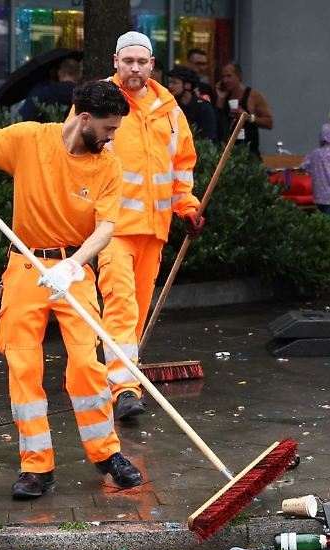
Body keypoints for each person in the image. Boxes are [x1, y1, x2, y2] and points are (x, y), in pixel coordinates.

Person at [0, 80, 144, 499]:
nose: (111, 137)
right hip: (25, 264)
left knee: (86, 363)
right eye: (108, 128)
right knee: (23, 365)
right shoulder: (31, 139)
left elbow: (105, 229)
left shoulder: (108, 166)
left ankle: (107, 454)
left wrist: (72, 265)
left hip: (73, 269)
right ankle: (36, 467)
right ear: (84, 118)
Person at [98, 31, 202, 420]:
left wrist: (187, 209)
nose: (135, 68)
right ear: (115, 61)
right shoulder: (98, 100)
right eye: (128, 61)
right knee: (121, 304)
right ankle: (125, 389)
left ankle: (117, 375)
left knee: (136, 311)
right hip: (111, 229)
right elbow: (74, 156)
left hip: (154, 230)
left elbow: (181, 168)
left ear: (152, 65)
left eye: (142, 62)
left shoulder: (169, 111)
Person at [219, 62, 274, 159]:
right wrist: (220, 99)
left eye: (229, 76)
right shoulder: (223, 97)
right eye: (223, 77)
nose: (225, 80)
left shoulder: (254, 96)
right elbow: (217, 121)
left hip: (250, 152)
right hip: (228, 153)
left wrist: (248, 117)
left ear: (239, 76)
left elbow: (269, 123)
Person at [19, 56, 82, 122]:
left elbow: (24, 117)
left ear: (59, 73)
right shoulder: (84, 95)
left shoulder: (42, 90)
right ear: (79, 75)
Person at [166, 66, 219, 144]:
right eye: (170, 82)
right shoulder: (170, 106)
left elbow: (208, 139)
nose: (170, 86)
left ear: (187, 85)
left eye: (174, 83)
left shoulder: (204, 108)